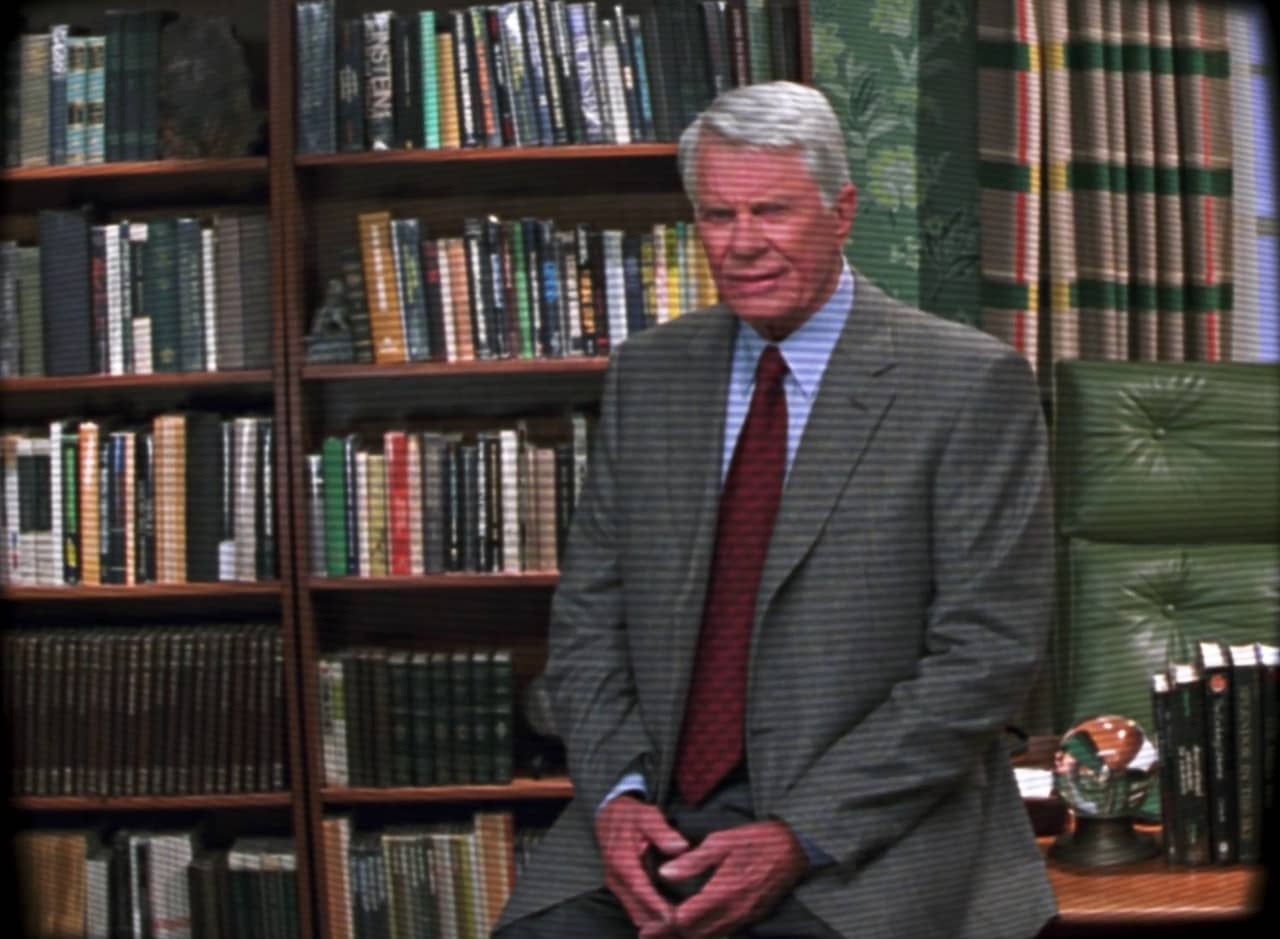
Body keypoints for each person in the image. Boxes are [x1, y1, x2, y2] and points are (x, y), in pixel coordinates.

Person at [495, 81, 1057, 939]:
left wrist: (799, 834)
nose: (744, 244)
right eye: (719, 216)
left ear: (842, 211)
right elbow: (587, 619)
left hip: (863, 828)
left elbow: (985, 655)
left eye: (773, 211)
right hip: (652, 818)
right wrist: (615, 796)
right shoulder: (650, 375)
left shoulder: (968, 383)